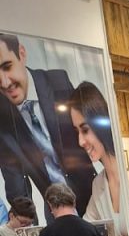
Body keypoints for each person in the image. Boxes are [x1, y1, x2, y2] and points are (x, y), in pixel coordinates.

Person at [0, 32, 94, 215]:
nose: (4, 83)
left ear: (21, 53)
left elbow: (93, 134)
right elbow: (14, 177)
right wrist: (26, 227)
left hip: (92, 196)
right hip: (55, 211)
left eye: (7, 66)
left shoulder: (58, 82)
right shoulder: (2, 116)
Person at [69, 81, 129, 236]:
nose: (80, 142)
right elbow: (86, 228)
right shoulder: (98, 184)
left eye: (85, 130)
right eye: (77, 132)